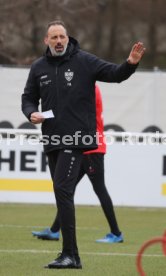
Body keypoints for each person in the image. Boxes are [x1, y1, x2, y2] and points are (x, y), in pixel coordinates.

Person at [21, 20, 145, 269]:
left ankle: (70, 254)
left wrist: (130, 63)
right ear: (46, 40)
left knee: (63, 190)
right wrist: (31, 112)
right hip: (53, 139)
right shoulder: (38, 67)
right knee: (61, 191)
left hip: (77, 138)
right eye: (53, 37)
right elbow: (28, 98)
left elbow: (114, 74)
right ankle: (71, 256)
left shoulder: (84, 61)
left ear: (68, 39)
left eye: (62, 37)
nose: (58, 41)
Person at [32, 85, 123, 245]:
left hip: (91, 148)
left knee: (98, 189)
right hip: (83, 146)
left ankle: (116, 233)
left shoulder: (88, 88)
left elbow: (69, 109)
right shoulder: (90, 87)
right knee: (67, 189)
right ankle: (54, 230)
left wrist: (46, 114)